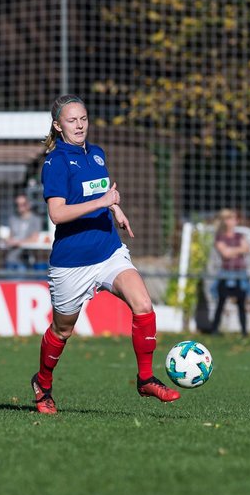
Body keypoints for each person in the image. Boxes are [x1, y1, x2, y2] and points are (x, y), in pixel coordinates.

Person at [29, 94, 180, 414]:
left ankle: (146, 379)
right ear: (58, 125)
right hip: (71, 262)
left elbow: (99, 190)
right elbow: (57, 214)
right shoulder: (55, 163)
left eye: (83, 118)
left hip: (108, 250)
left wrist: (115, 207)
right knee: (62, 330)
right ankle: (43, 382)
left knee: (143, 304)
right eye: (72, 120)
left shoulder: (96, 154)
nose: (79, 125)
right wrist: (102, 202)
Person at [208, 208, 250, 336]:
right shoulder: (220, 237)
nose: (232, 221)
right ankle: (214, 330)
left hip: (240, 274)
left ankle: (244, 331)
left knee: (241, 304)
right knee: (221, 303)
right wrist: (239, 249)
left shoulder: (239, 236)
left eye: (234, 219)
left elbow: (247, 248)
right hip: (226, 274)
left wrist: (232, 250)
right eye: (229, 218)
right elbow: (225, 253)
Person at [3, 193, 42, 272]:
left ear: (28, 205)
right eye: (17, 204)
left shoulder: (36, 220)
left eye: (23, 204)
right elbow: (10, 236)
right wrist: (7, 240)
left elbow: (35, 239)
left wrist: (18, 242)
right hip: (11, 259)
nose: (20, 206)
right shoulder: (12, 219)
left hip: (26, 260)